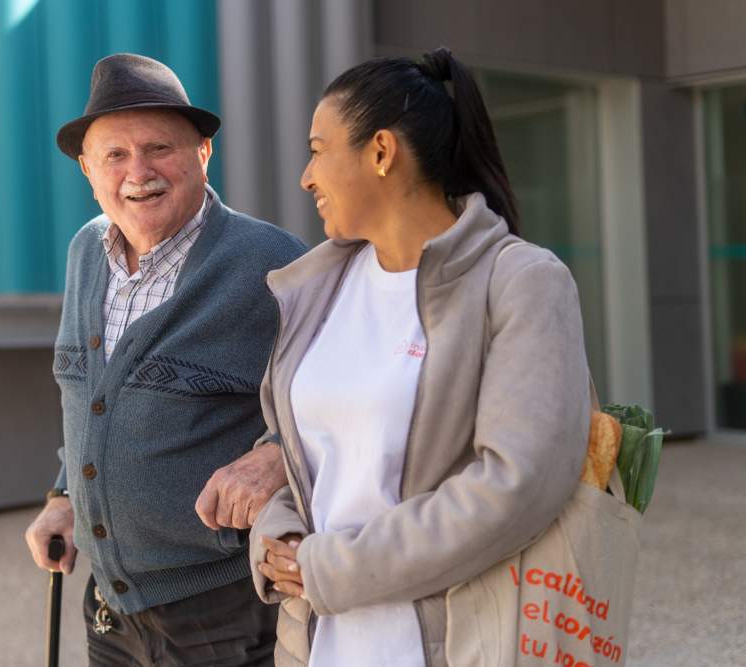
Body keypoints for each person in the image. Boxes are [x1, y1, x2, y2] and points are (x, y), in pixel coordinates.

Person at [249, 48, 590, 666]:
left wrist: (330, 568)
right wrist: (278, 533)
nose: (306, 176)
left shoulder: (519, 281)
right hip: (318, 644)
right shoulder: (317, 289)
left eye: (318, 150)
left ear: (381, 152)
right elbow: (304, 456)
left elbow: (516, 485)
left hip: (454, 645)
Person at [24, 53, 306, 666]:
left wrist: (278, 455)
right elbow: (88, 397)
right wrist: (64, 495)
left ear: (203, 153)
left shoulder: (276, 264)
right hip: (110, 605)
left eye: (159, 148)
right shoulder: (86, 251)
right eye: (115, 155)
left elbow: (348, 400)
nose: (138, 172)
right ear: (87, 168)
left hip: (222, 607)